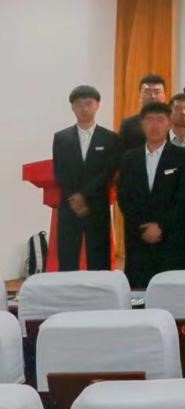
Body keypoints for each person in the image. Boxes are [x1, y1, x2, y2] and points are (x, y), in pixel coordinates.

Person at [117, 100, 185, 286]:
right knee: (139, 292)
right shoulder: (129, 159)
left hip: (171, 238)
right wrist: (143, 226)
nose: (155, 125)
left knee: (170, 290)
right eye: (149, 120)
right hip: (138, 236)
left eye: (160, 120)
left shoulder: (182, 157)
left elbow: (184, 199)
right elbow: (124, 197)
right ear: (142, 124)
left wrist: (161, 226)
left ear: (169, 123)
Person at [52, 85, 121, 271]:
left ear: (97, 105)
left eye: (88, 104)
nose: (84, 109)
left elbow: (108, 172)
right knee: (67, 256)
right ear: (72, 107)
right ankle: (68, 288)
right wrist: (75, 197)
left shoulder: (110, 138)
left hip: (97, 205)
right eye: (79, 104)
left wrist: (84, 195)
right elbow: (60, 171)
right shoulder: (61, 138)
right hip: (69, 205)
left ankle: (100, 288)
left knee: (99, 258)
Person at [120, 74, 167, 151]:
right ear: (140, 96)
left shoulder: (173, 123)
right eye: (147, 92)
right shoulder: (128, 124)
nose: (153, 96)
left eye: (157, 92)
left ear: (164, 96)